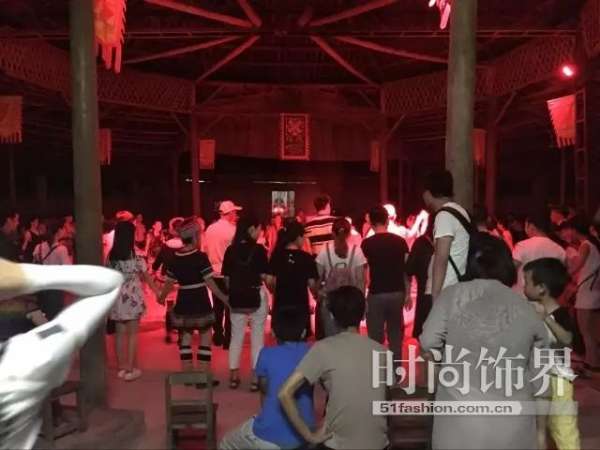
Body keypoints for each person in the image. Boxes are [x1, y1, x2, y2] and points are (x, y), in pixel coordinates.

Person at [420, 233, 549, 450]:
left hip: (459, 426)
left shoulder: (451, 296)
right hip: (513, 428)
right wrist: (541, 433)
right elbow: (541, 383)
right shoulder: (526, 309)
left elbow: (428, 342)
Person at [279, 286, 388, 450]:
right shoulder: (382, 351)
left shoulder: (323, 349)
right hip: (379, 444)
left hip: (338, 445)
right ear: (364, 313)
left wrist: (309, 436)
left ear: (331, 316)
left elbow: (284, 393)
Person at [219, 308, 315, 450]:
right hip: (305, 433)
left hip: (269, 436)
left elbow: (264, 389)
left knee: (225, 443)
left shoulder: (266, 354)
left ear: (273, 333)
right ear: (304, 333)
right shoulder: (312, 353)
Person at [158, 218, 229, 383]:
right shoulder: (200, 257)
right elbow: (211, 283)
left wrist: (161, 297)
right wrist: (224, 297)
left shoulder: (175, 258)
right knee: (205, 335)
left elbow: (168, 283)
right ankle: (203, 376)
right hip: (200, 299)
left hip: (183, 300)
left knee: (186, 336)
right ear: (196, 237)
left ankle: (188, 374)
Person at [523, 258, 580, 450]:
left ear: (542, 288)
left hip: (558, 379)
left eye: (527, 282)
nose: (524, 287)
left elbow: (567, 339)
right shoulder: (529, 310)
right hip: (536, 376)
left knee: (563, 426)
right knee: (538, 427)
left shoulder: (560, 314)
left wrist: (546, 318)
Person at [222, 215, 269, 391]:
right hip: (256, 295)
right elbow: (264, 276)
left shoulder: (230, 250)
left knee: (236, 337)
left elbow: (226, 279)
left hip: (237, 298)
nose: (260, 232)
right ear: (251, 229)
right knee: (257, 337)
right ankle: (255, 378)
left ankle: (234, 376)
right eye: (259, 229)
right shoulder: (259, 250)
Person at [108, 221, 158, 381]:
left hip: (117, 297)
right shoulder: (136, 256)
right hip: (133, 298)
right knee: (132, 335)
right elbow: (147, 277)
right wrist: (158, 293)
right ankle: (130, 369)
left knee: (119, 334)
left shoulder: (111, 256)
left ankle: (121, 367)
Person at [361, 206, 410, 359]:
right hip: (397, 292)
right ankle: (395, 370)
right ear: (387, 220)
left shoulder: (367, 244)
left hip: (376, 293)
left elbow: (364, 273)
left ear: (371, 223)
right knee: (395, 336)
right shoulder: (400, 242)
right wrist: (408, 294)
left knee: (375, 338)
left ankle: (378, 371)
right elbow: (406, 270)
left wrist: (363, 295)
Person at [559, 217, 600, 376]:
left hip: (587, 294)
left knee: (586, 330)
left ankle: (592, 363)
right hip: (592, 292)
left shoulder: (585, 245)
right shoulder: (593, 244)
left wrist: (561, 276)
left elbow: (577, 266)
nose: (568, 233)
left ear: (575, 230)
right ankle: (592, 360)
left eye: (569, 229)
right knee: (590, 330)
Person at [315, 217, 367, 339]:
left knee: (331, 340)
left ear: (333, 233)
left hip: (330, 302)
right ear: (349, 234)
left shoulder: (324, 251)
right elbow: (361, 280)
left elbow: (317, 279)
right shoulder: (357, 251)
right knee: (351, 339)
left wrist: (318, 294)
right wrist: (362, 303)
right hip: (351, 302)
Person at [422, 170, 471, 299]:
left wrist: (435, 297)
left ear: (428, 193)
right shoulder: (460, 211)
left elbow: (441, 258)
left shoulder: (444, 216)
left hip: (446, 290)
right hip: (456, 288)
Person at [267, 221, 319, 337]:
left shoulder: (276, 256)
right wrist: (316, 294)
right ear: (298, 237)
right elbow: (312, 285)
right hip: (300, 306)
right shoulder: (307, 258)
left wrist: (275, 290)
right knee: (300, 340)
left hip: (281, 304)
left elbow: (269, 281)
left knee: (282, 339)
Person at [204, 200, 242, 348]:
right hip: (229, 272)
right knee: (230, 306)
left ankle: (218, 335)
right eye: (235, 212)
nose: (236, 214)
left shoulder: (210, 229)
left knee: (217, 305)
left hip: (213, 272)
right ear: (229, 213)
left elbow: (205, 249)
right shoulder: (233, 230)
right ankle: (228, 339)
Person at [512, 211, 566, 294]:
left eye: (525, 225)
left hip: (521, 296)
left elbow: (511, 269)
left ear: (531, 226)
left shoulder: (522, 245)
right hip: (546, 297)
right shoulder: (559, 250)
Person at [33, 221, 72, 320]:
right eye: (62, 229)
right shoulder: (62, 249)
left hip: (42, 287)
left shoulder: (38, 247)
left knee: (43, 315)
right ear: (58, 231)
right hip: (55, 288)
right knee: (55, 315)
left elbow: (34, 263)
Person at [406, 218, 434, 338]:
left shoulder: (421, 243)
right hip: (445, 296)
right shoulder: (451, 241)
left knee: (425, 334)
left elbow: (409, 269)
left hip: (425, 296)